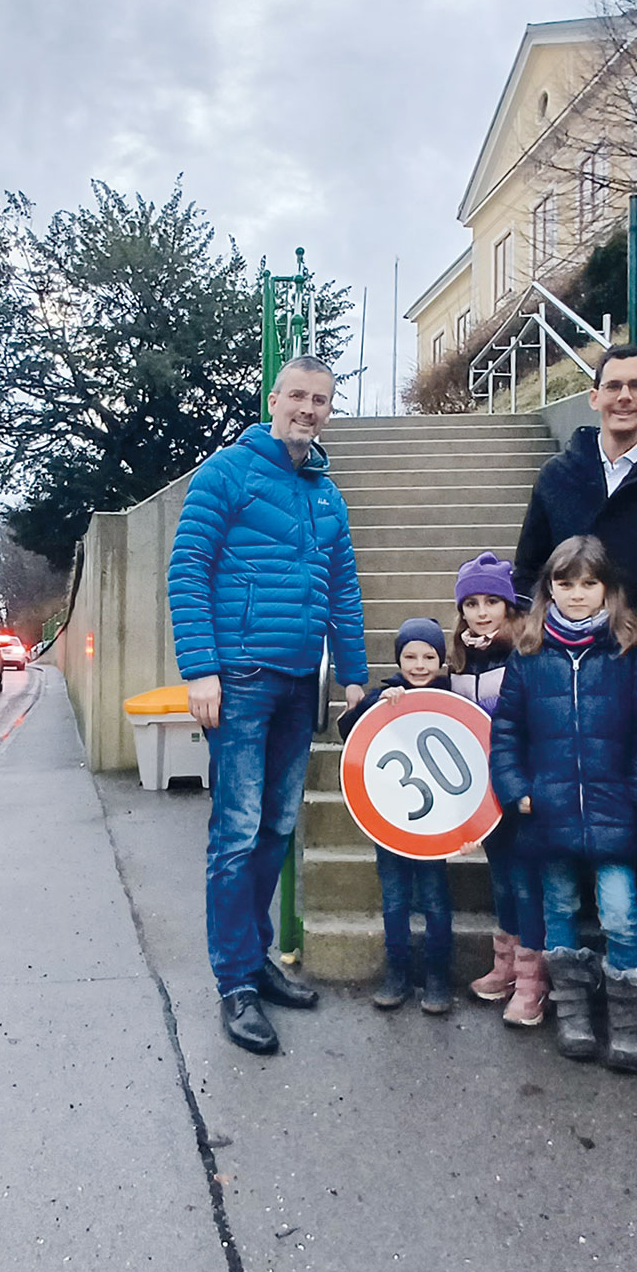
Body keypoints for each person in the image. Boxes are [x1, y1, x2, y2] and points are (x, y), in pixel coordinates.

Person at [168, 356, 369, 1055]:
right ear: (273, 398)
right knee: (236, 830)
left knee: (276, 827)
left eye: (322, 401)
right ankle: (235, 983)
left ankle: (255, 959)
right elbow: (187, 565)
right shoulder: (226, 472)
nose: (309, 409)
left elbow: (343, 589)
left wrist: (355, 675)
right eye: (299, 397)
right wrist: (200, 668)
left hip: (296, 686)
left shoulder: (327, 495)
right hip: (241, 678)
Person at [487, 536, 637, 1066]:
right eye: (565, 583)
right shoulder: (530, 655)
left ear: (608, 588)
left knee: (621, 914)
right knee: (558, 907)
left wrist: (636, 793)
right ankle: (574, 1012)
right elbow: (507, 731)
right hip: (550, 811)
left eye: (589, 584)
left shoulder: (629, 652)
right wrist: (517, 789)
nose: (577, 595)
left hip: (614, 811)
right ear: (548, 589)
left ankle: (628, 1025)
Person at [514, 343, 637, 621]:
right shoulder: (556, 476)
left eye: (636, 386)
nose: (624, 397)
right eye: (613, 386)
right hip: (567, 649)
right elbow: (529, 570)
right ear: (594, 398)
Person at [338, 618, 457, 1015]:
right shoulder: (385, 695)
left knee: (436, 902)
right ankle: (397, 973)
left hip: (435, 824)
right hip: (389, 820)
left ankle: (438, 976)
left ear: (441, 660)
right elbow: (350, 733)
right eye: (410, 656)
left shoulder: (452, 698)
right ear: (398, 659)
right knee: (394, 901)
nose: (420, 664)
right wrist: (374, 705)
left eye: (429, 656)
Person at [441, 552, 535, 1007]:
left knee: (525, 879)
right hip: (485, 795)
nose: (481, 613)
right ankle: (506, 965)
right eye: (471, 604)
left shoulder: (526, 653)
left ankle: (533, 974)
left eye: (491, 602)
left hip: (521, 786)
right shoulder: (458, 664)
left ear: (509, 606)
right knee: (501, 880)